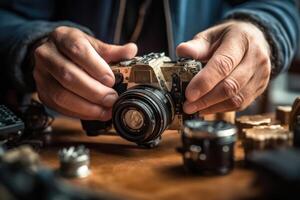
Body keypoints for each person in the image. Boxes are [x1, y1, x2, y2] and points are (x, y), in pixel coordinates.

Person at [0, 0, 299, 121]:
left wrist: (262, 30)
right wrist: (32, 45)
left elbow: (286, 6)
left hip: (198, 138)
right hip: (66, 130)